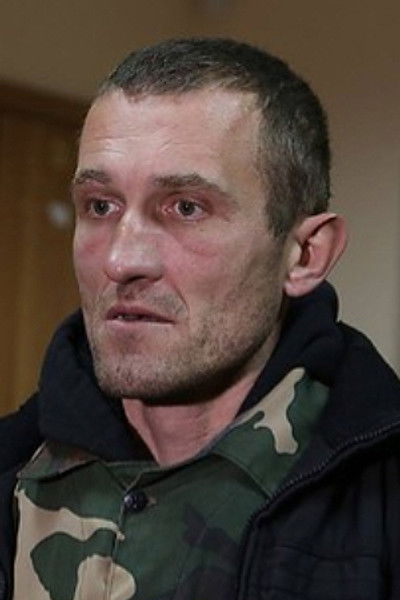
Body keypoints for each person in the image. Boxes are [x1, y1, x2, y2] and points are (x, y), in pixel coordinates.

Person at [1, 37, 400, 600]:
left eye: (186, 208)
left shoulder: (378, 510)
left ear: (305, 255)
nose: (121, 261)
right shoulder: (12, 469)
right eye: (100, 206)